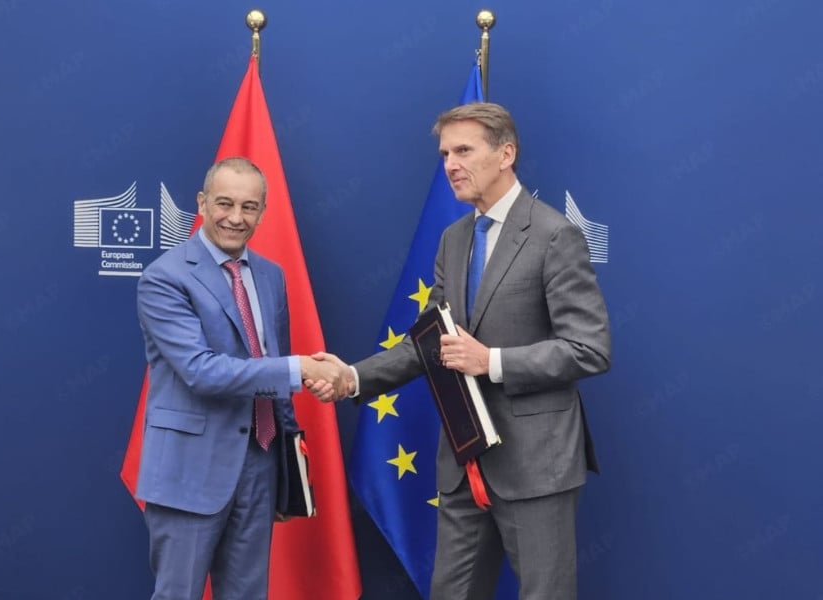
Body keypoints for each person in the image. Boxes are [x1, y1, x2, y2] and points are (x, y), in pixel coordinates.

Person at [308, 103, 611, 600]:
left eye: (463, 151)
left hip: (537, 465)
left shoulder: (555, 235)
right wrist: (353, 377)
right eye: (445, 154)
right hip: (464, 461)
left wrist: (490, 362)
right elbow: (431, 342)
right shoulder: (454, 239)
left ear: (506, 154)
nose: (450, 164)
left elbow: (589, 348)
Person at [135, 157, 341, 600]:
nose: (236, 217)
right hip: (189, 470)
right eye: (224, 203)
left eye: (249, 207)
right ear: (202, 203)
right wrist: (302, 369)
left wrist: (287, 468)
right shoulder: (164, 278)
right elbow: (201, 371)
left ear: (263, 212)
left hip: (259, 464)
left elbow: (274, 367)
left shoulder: (270, 275)